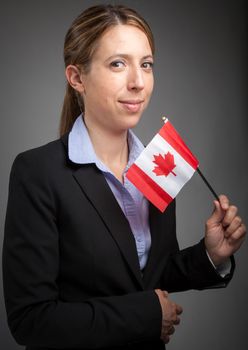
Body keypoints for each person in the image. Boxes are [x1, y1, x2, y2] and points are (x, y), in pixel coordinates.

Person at [2, 4, 246, 350]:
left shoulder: (156, 167)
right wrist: (146, 315)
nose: (138, 83)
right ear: (77, 78)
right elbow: (31, 320)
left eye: (146, 65)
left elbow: (146, 273)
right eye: (118, 64)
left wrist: (210, 255)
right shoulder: (38, 172)